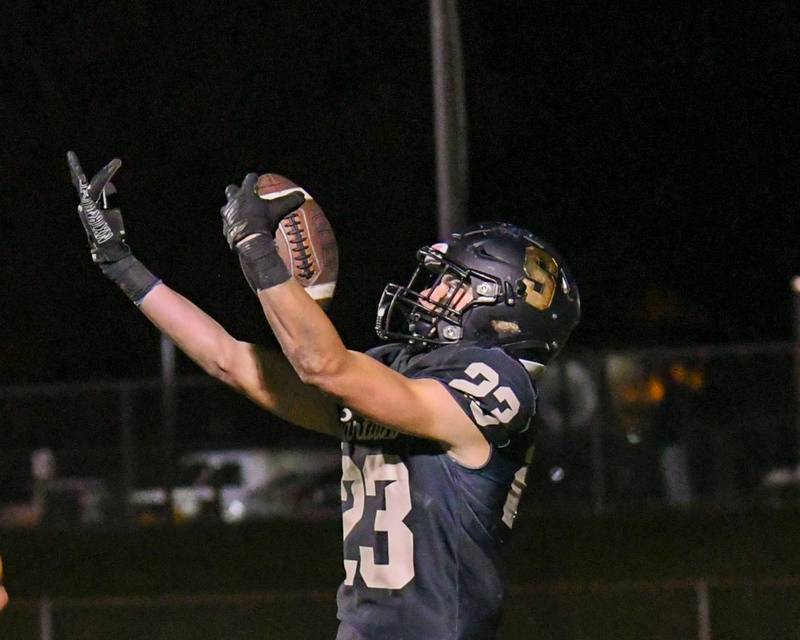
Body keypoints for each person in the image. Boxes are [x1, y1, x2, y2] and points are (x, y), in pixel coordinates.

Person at [67, 152, 581, 639]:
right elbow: (230, 360)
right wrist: (122, 265)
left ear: (505, 307)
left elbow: (322, 365)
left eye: (452, 285)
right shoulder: (397, 371)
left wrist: (256, 249)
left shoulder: (498, 382)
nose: (427, 294)